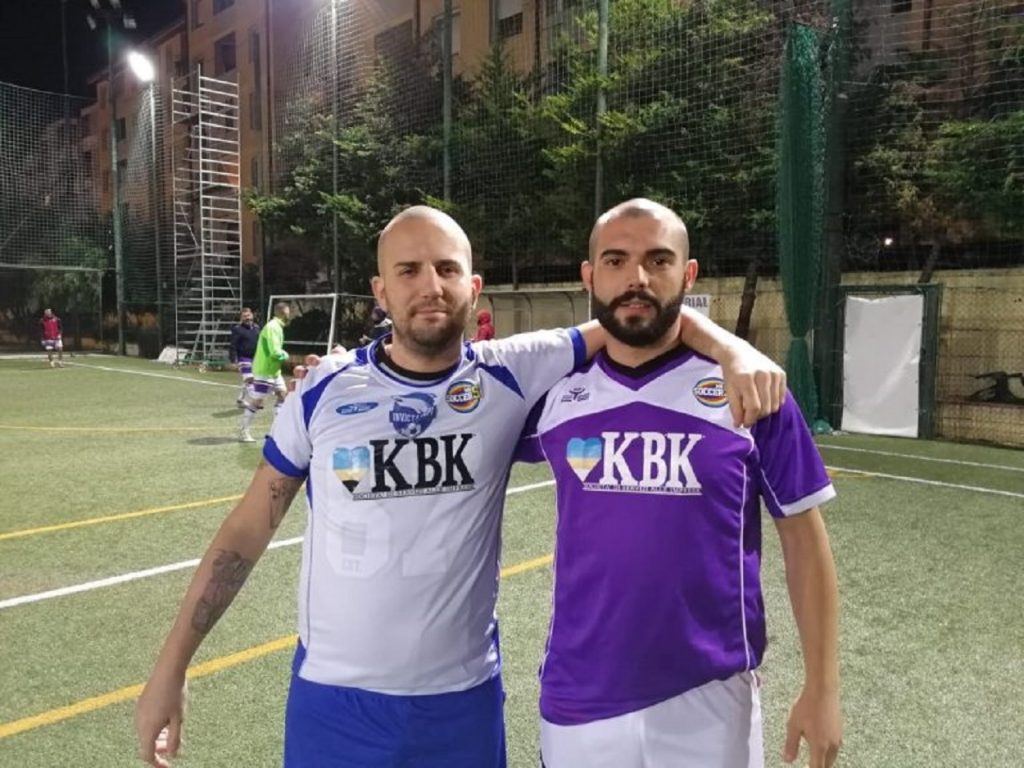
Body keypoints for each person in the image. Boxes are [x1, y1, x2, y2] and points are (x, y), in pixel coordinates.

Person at [134, 205, 785, 768]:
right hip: (333, 705)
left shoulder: (511, 374)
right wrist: (171, 666)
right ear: (380, 291)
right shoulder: (323, 390)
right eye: (408, 271)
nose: (430, 286)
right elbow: (247, 531)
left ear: (474, 288)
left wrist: (733, 349)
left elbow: (638, 314)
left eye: (447, 269)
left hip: (462, 706)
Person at [516, 199, 842, 768]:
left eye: (658, 260)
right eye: (616, 261)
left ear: (687, 275)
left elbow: (803, 540)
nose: (636, 278)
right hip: (578, 695)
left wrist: (823, 687)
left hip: (711, 697)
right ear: (589, 276)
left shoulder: (753, 388)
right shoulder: (551, 392)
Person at [238, 302, 291, 443]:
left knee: (283, 395)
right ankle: (244, 432)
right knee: (258, 401)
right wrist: (286, 355)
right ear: (284, 313)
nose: (289, 314)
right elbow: (275, 352)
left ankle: (276, 432)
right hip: (265, 370)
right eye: (288, 311)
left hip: (274, 370)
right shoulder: (273, 327)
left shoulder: (276, 326)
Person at [229, 307, 260, 407]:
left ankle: (240, 400)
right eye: (244, 316)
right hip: (243, 358)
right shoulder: (237, 329)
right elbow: (233, 345)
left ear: (252, 316)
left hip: (255, 359)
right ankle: (256, 400)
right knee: (250, 379)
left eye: (249, 315)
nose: (247, 318)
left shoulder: (257, 328)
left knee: (251, 380)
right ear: (241, 318)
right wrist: (233, 360)